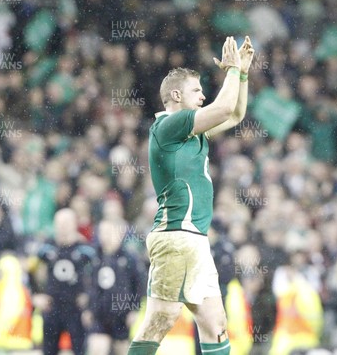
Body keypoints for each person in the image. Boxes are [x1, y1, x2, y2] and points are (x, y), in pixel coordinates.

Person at [127, 36, 255, 355]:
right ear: (175, 95)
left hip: (193, 238)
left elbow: (234, 115)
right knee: (162, 317)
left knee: (215, 324)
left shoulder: (190, 131)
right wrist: (232, 68)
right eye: (196, 91)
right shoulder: (170, 125)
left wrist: (242, 75)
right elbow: (224, 107)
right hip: (177, 236)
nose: (203, 96)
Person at [32, 208, 96, 355]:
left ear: (75, 224)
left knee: (80, 350)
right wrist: (36, 295)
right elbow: (30, 272)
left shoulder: (86, 251)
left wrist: (89, 296)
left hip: (76, 308)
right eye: (59, 223)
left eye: (67, 223)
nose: (63, 227)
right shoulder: (45, 249)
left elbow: (97, 276)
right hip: (52, 307)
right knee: (48, 350)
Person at [84, 220, 146, 355]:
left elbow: (139, 285)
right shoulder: (95, 256)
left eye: (109, 232)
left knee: (121, 349)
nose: (105, 236)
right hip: (100, 314)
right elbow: (89, 285)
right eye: (102, 233)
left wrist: (134, 309)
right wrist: (88, 308)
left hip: (122, 314)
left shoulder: (130, 258)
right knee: (97, 348)